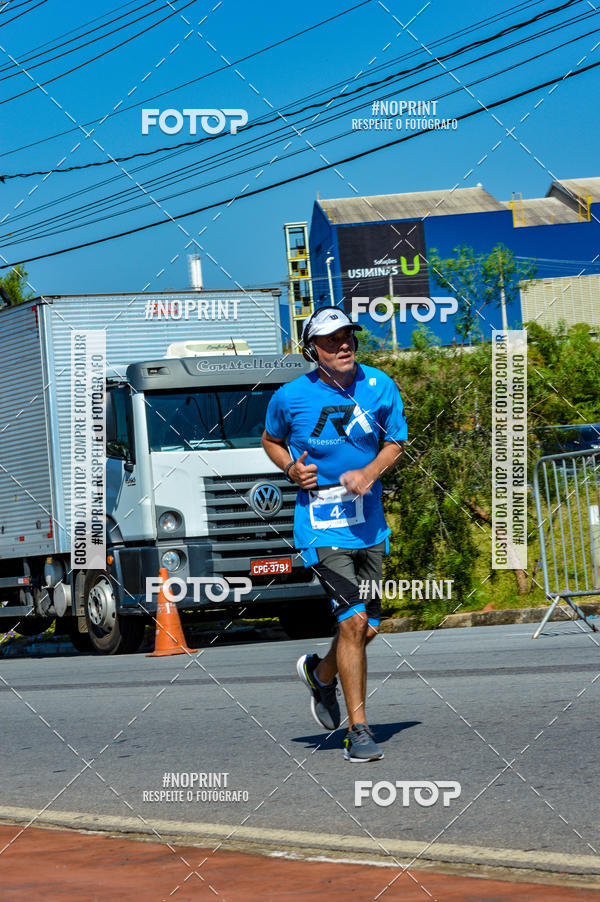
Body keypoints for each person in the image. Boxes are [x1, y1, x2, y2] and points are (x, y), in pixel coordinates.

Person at [262, 306, 407, 762]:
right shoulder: (290, 397)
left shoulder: (380, 386)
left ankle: (322, 677)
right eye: (330, 340)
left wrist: (370, 470)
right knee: (353, 622)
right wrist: (291, 468)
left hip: (369, 525)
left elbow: (395, 442)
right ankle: (358, 730)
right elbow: (270, 439)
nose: (343, 345)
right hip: (321, 527)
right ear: (312, 350)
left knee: (367, 631)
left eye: (348, 337)